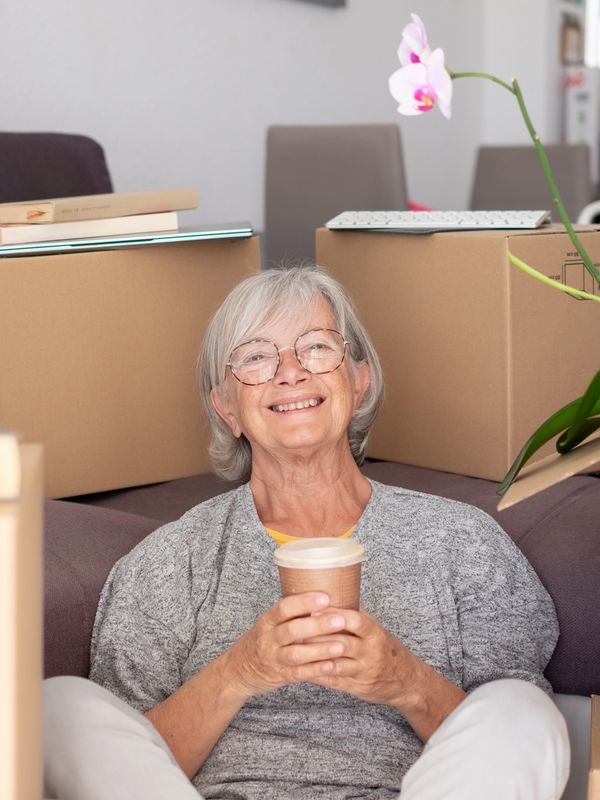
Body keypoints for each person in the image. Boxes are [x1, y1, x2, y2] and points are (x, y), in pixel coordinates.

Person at [44, 265, 570, 800]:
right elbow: (125, 754)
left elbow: (511, 742)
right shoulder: (171, 561)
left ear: (359, 380)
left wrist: (405, 680)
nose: (290, 372)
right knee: (57, 707)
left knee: (521, 707)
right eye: (255, 357)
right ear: (226, 408)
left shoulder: (461, 542)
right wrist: (239, 671)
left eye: (316, 347)